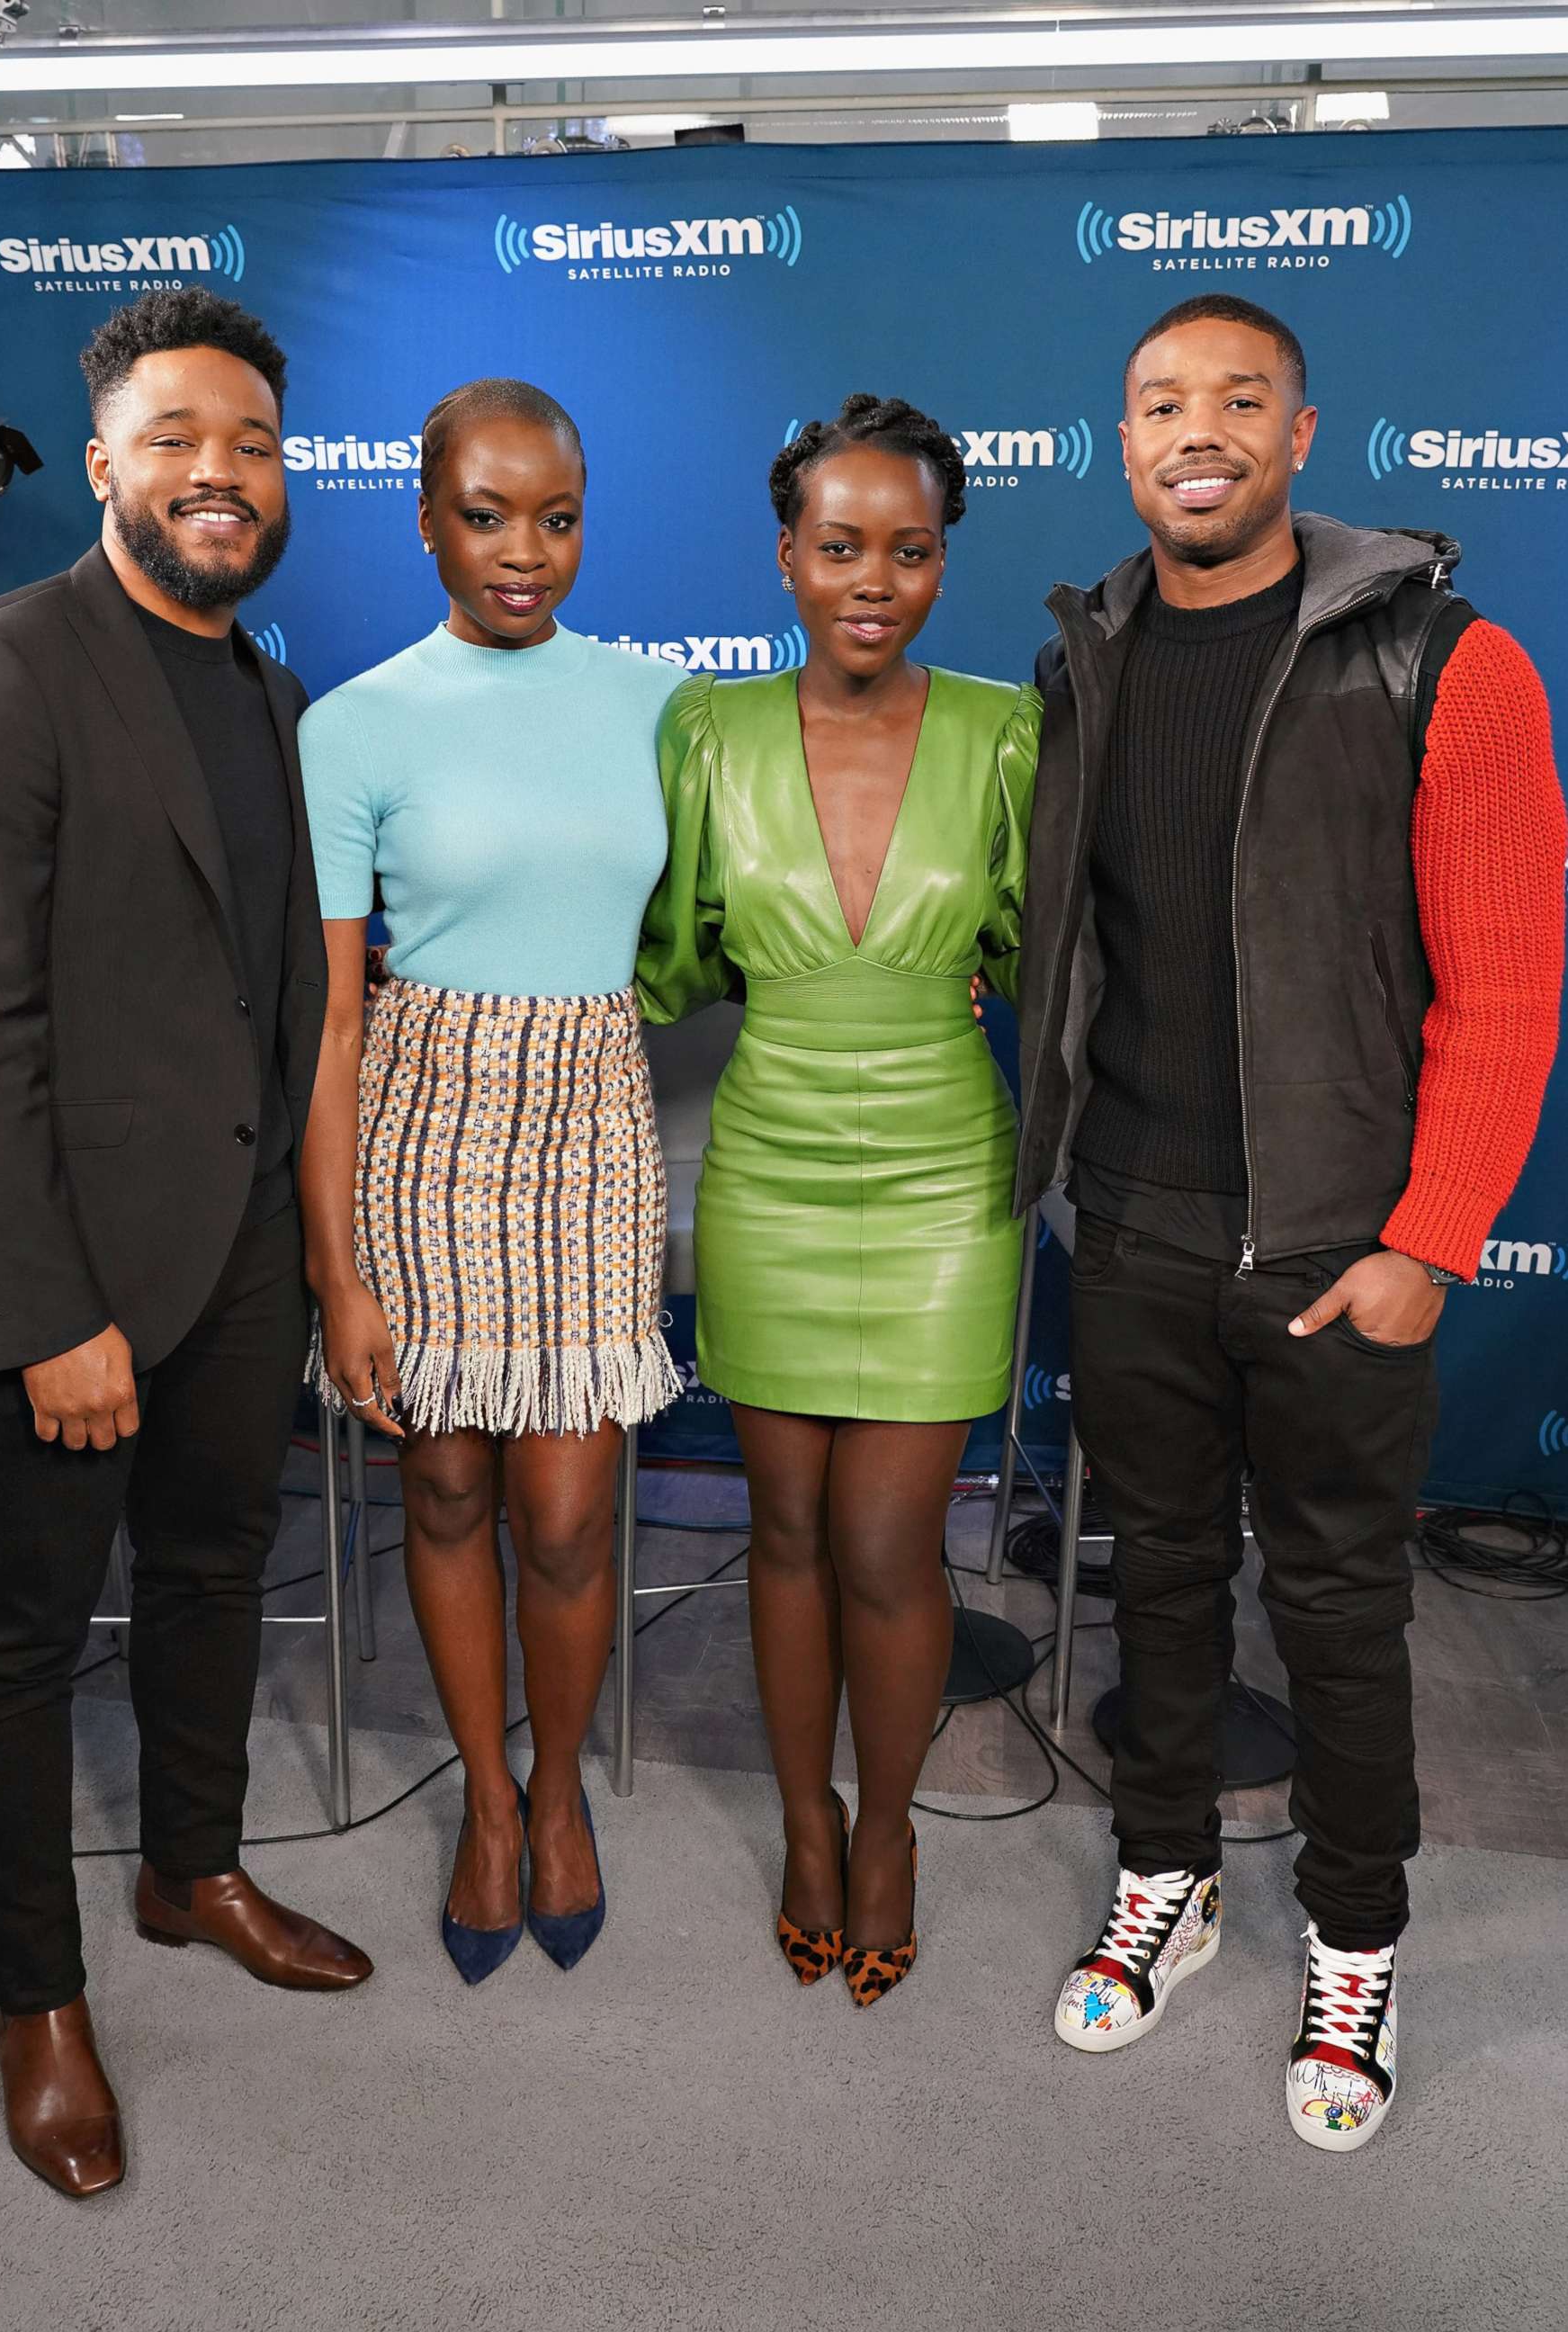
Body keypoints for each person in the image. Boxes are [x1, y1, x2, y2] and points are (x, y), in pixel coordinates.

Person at [1015, 294, 1564, 2149]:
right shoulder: (1078, 662)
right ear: (1120, 439)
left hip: (1341, 1251)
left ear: (1298, 436)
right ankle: (1156, 1881)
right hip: (1136, 1226)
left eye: (1235, 400)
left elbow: (1501, 985)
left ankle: (1354, 1947)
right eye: (1158, 400)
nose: (1196, 430)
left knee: (1335, 1611)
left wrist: (1426, 1243)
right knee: (1153, 1584)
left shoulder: (1442, 660)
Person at [0, 289, 374, 2201]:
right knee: (13, 1651)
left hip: (236, 1254)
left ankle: (192, 1868)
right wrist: (49, 1313)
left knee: (210, 1580)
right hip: (53, 1282)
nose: (216, 472)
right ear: (101, 468)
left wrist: (300, 1256)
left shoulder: (269, 692)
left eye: (246, 442)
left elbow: (269, 1000)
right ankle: (39, 2000)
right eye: (175, 438)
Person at [636, 396, 1040, 2006]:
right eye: (840, 545)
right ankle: (808, 1828)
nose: (874, 578)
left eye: (912, 549)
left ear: (944, 559)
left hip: (947, 1174)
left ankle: (891, 1832)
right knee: (785, 1531)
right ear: (788, 554)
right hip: (771, 1168)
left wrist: (938, 983)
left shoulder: (1011, 730)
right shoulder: (708, 732)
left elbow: (1042, 956)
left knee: (888, 1544)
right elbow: (675, 961)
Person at [299, 379, 682, 1986]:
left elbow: (753, 906)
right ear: (425, 515)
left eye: (559, 517)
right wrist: (339, 1278)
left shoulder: (668, 703)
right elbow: (328, 1019)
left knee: (572, 1510)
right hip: (422, 1125)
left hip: (592, 1118)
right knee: (446, 1488)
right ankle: (485, 1805)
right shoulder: (354, 724)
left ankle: (564, 1791)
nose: (524, 551)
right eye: (485, 514)